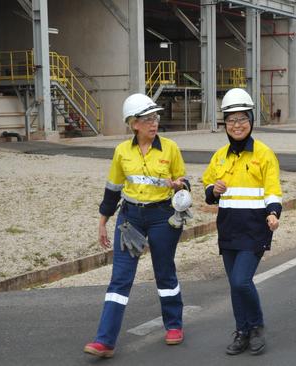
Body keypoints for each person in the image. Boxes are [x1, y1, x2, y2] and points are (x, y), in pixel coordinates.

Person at [84, 93, 190, 358]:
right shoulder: (121, 151)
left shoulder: (170, 148)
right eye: (147, 119)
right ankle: (104, 341)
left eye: (155, 118)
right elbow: (113, 190)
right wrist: (103, 222)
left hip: (162, 217)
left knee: (164, 272)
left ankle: (174, 325)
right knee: (120, 278)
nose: (153, 123)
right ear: (133, 124)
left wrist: (180, 185)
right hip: (130, 218)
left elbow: (184, 182)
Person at [202, 88, 282, 356]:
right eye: (231, 120)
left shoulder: (264, 154)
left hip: (256, 228)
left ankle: (256, 326)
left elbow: (273, 190)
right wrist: (213, 190)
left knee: (240, 281)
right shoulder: (220, 156)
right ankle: (242, 331)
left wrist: (273, 213)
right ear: (224, 123)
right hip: (228, 228)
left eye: (242, 119)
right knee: (234, 284)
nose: (237, 125)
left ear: (251, 120)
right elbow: (208, 188)